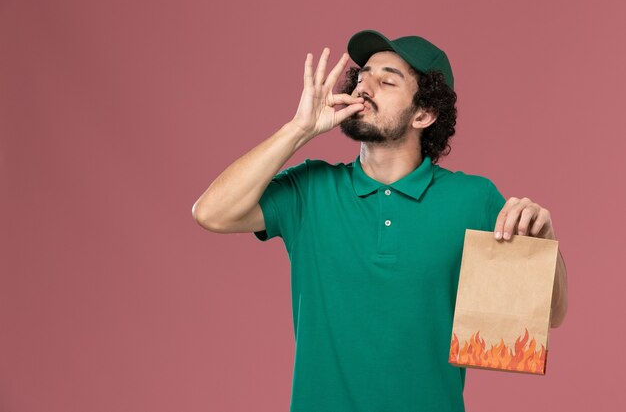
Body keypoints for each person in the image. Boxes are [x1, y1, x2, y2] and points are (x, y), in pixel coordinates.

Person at [192, 29, 568, 412]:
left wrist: (545, 249)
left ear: (424, 114)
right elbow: (211, 213)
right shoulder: (311, 189)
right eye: (362, 76)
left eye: (387, 80)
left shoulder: (472, 199)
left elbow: (547, 316)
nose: (363, 86)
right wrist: (298, 130)